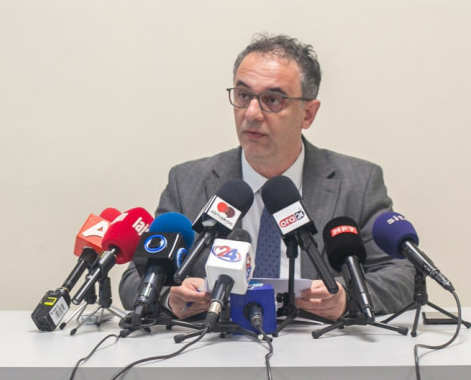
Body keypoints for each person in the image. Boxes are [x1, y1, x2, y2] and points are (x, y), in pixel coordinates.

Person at [119, 34, 415, 321]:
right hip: (215, 343)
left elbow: (401, 274)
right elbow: (134, 278)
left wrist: (347, 299)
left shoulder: (358, 182)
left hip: (315, 345)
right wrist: (168, 297)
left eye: (272, 100)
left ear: (308, 114)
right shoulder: (187, 182)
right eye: (243, 95)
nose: (252, 113)